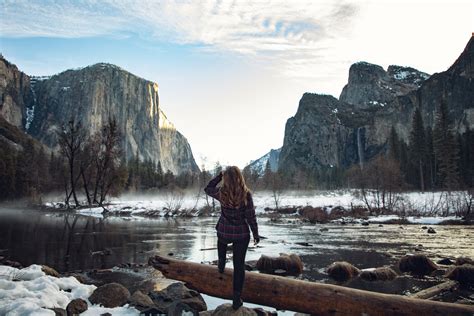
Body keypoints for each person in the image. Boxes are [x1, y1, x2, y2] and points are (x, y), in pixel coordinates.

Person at [204, 166, 259, 310]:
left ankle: (221, 262)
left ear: (226, 179)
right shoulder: (246, 195)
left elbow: (207, 188)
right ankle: (236, 298)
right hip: (241, 234)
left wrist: (219, 176)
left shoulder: (221, 192)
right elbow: (251, 216)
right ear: (240, 178)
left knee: (221, 239)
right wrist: (255, 233)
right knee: (239, 266)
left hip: (224, 231)